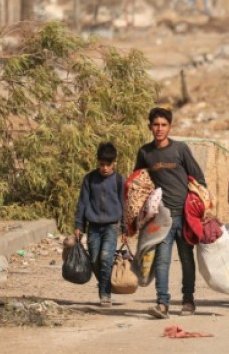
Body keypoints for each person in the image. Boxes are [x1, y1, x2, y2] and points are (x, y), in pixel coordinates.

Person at [134, 107, 206, 319]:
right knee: (162, 261)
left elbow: (199, 179)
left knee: (186, 259)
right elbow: (138, 182)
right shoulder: (145, 153)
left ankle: (188, 300)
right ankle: (162, 303)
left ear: (170, 127)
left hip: (184, 217)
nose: (159, 129)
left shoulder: (180, 150)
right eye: (155, 125)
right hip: (162, 218)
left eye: (163, 125)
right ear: (149, 127)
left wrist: (199, 207)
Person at [73, 142, 124, 308]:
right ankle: (105, 283)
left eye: (108, 164)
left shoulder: (118, 180)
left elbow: (124, 204)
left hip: (111, 226)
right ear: (97, 162)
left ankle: (105, 293)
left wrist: (124, 227)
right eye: (102, 164)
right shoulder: (89, 179)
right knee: (95, 260)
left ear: (114, 163)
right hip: (93, 227)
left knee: (105, 257)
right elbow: (82, 203)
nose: (105, 168)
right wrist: (78, 225)